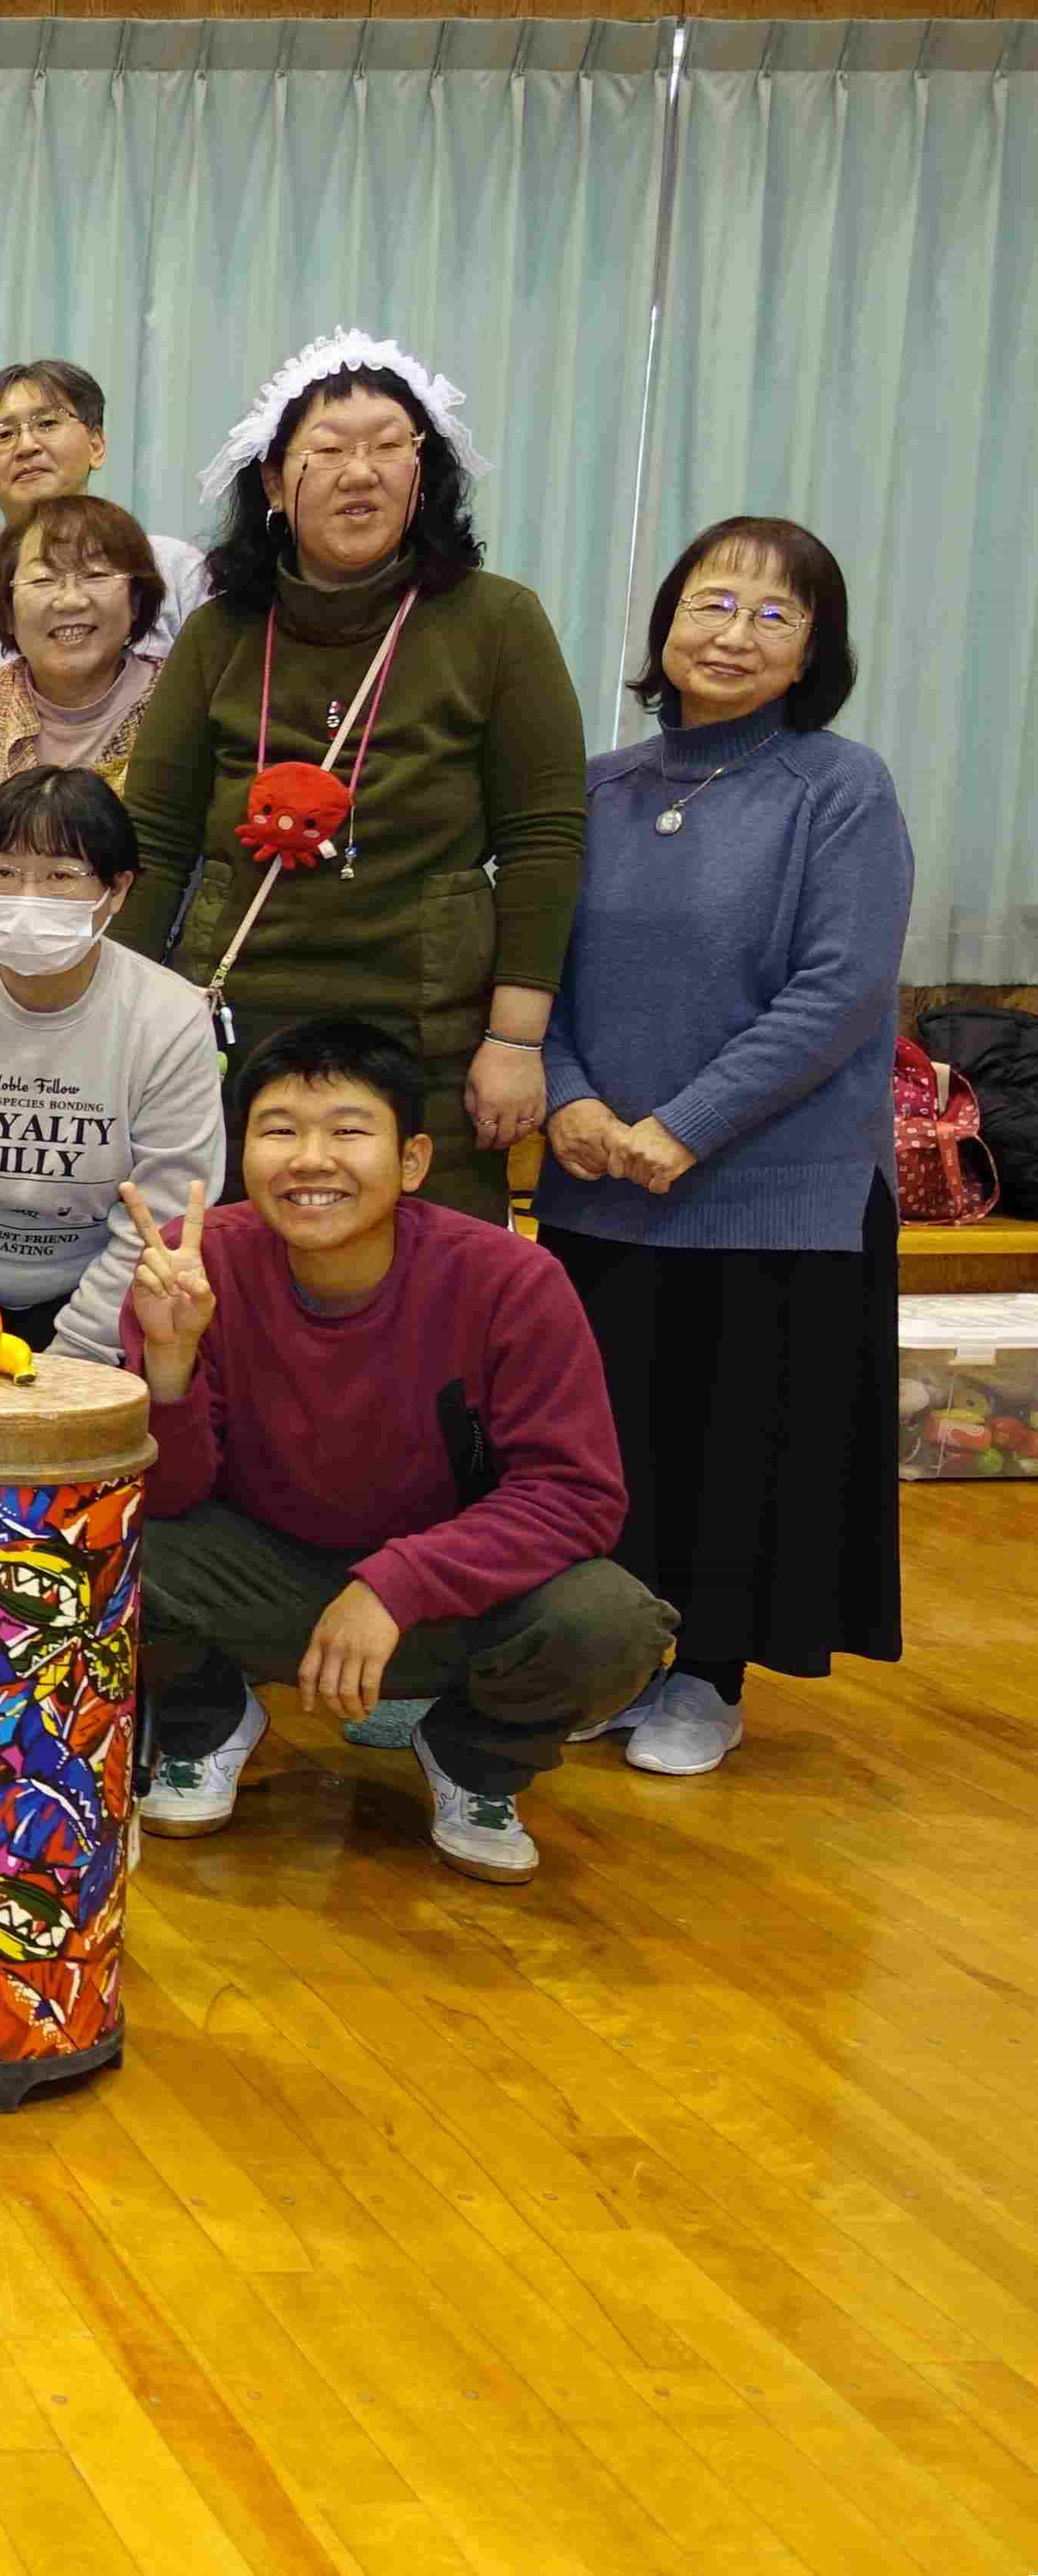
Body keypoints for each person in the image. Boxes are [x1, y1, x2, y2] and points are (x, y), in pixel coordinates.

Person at [120, 1016, 676, 1883]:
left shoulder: (506, 1280)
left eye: (346, 1131)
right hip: (263, 1574)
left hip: (441, 1600)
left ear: (411, 1161)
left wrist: (396, 1583)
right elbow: (171, 1498)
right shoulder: (193, 1269)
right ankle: (206, 1723)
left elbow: (575, 1496)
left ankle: (470, 1760)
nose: (309, 1160)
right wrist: (168, 1360)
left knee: (611, 1623)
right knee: (95, 1542)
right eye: (278, 1132)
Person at [540, 517, 908, 1778]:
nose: (732, 634)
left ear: (813, 649)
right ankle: (614, 1660)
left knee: (740, 1443)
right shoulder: (597, 784)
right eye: (711, 603)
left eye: (772, 615)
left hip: (772, 1193)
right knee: (613, 1444)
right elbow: (542, 971)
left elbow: (839, 988)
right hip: (601, 1185)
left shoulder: (839, 788)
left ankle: (707, 1680)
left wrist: (683, 1128)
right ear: (662, 625)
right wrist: (568, 1101)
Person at [116, 329, 585, 1221]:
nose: (357, 472)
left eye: (386, 446)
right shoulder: (218, 632)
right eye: (326, 450)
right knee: (227, 1295)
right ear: (272, 483)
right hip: (228, 1032)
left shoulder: (496, 621)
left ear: (424, 471)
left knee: (427, 1308)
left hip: (428, 1035)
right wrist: (119, 1024)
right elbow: (155, 840)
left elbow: (542, 840)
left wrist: (513, 1040)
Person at [0, 766, 224, 1366]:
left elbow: (162, 1212)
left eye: (60, 875)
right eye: (2, 873)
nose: (27, 897)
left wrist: (73, 1359)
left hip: (97, 1310)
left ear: (119, 888)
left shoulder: (171, 1018)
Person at [0, 495, 170, 940]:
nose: (69, 600)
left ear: (136, 599)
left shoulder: (178, 707)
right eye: (43, 580)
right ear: (7, 607)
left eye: (96, 576)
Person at [0, 360, 209, 700]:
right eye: (3, 435)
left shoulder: (175, 571)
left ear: (96, 445)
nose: (27, 446)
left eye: (47, 423)